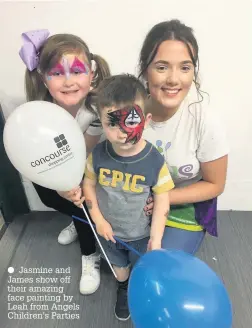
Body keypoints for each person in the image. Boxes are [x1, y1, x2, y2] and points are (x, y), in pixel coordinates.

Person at [73, 74, 174, 320]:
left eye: (131, 121)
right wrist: (97, 219)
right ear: (102, 123)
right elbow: (88, 184)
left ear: (146, 120)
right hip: (109, 231)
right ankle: (122, 287)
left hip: (141, 233)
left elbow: (162, 200)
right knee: (119, 267)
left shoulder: (154, 161)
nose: (122, 133)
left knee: (142, 267)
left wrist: (156, 238)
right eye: (112, 124)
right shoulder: (97, 155)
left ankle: (139, 288)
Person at [20, 29, 110, 294]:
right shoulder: (40, 109)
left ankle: (89, 253)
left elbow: (84, 153)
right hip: (51, 166)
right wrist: (59, 187)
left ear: (91, 74)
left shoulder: (94, 109)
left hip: (87, 165)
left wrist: (72, 187)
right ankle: (76, 216)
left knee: (82, 208)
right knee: (51, 199)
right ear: (45, 80)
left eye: (77, 71)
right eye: (57, 73)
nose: (68, 81)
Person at [138, 19, 229, 253]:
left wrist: (165, 197)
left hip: (183, 201)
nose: (173, 79)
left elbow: (215, 184)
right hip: (137, 198)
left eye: (185, 67)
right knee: (124, 257)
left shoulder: (205, 119)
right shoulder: (130, 112)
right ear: (145, 69)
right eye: (162, 67)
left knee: (162, 267)